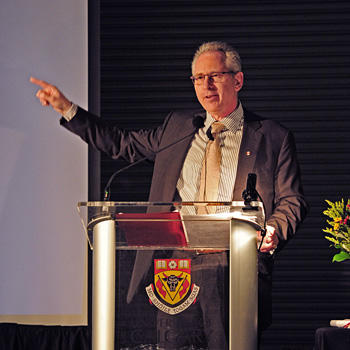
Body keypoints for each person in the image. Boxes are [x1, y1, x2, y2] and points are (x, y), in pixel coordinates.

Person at [30, 41, 308, 349]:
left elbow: (291, 200)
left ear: (238, 80)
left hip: (232, 267)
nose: (206, 85)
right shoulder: (178, 128)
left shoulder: (272, 137)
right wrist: (67, 109)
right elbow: (122, 143)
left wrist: (273, 230)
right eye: (199, 78)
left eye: (214, 75)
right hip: (175, 264)